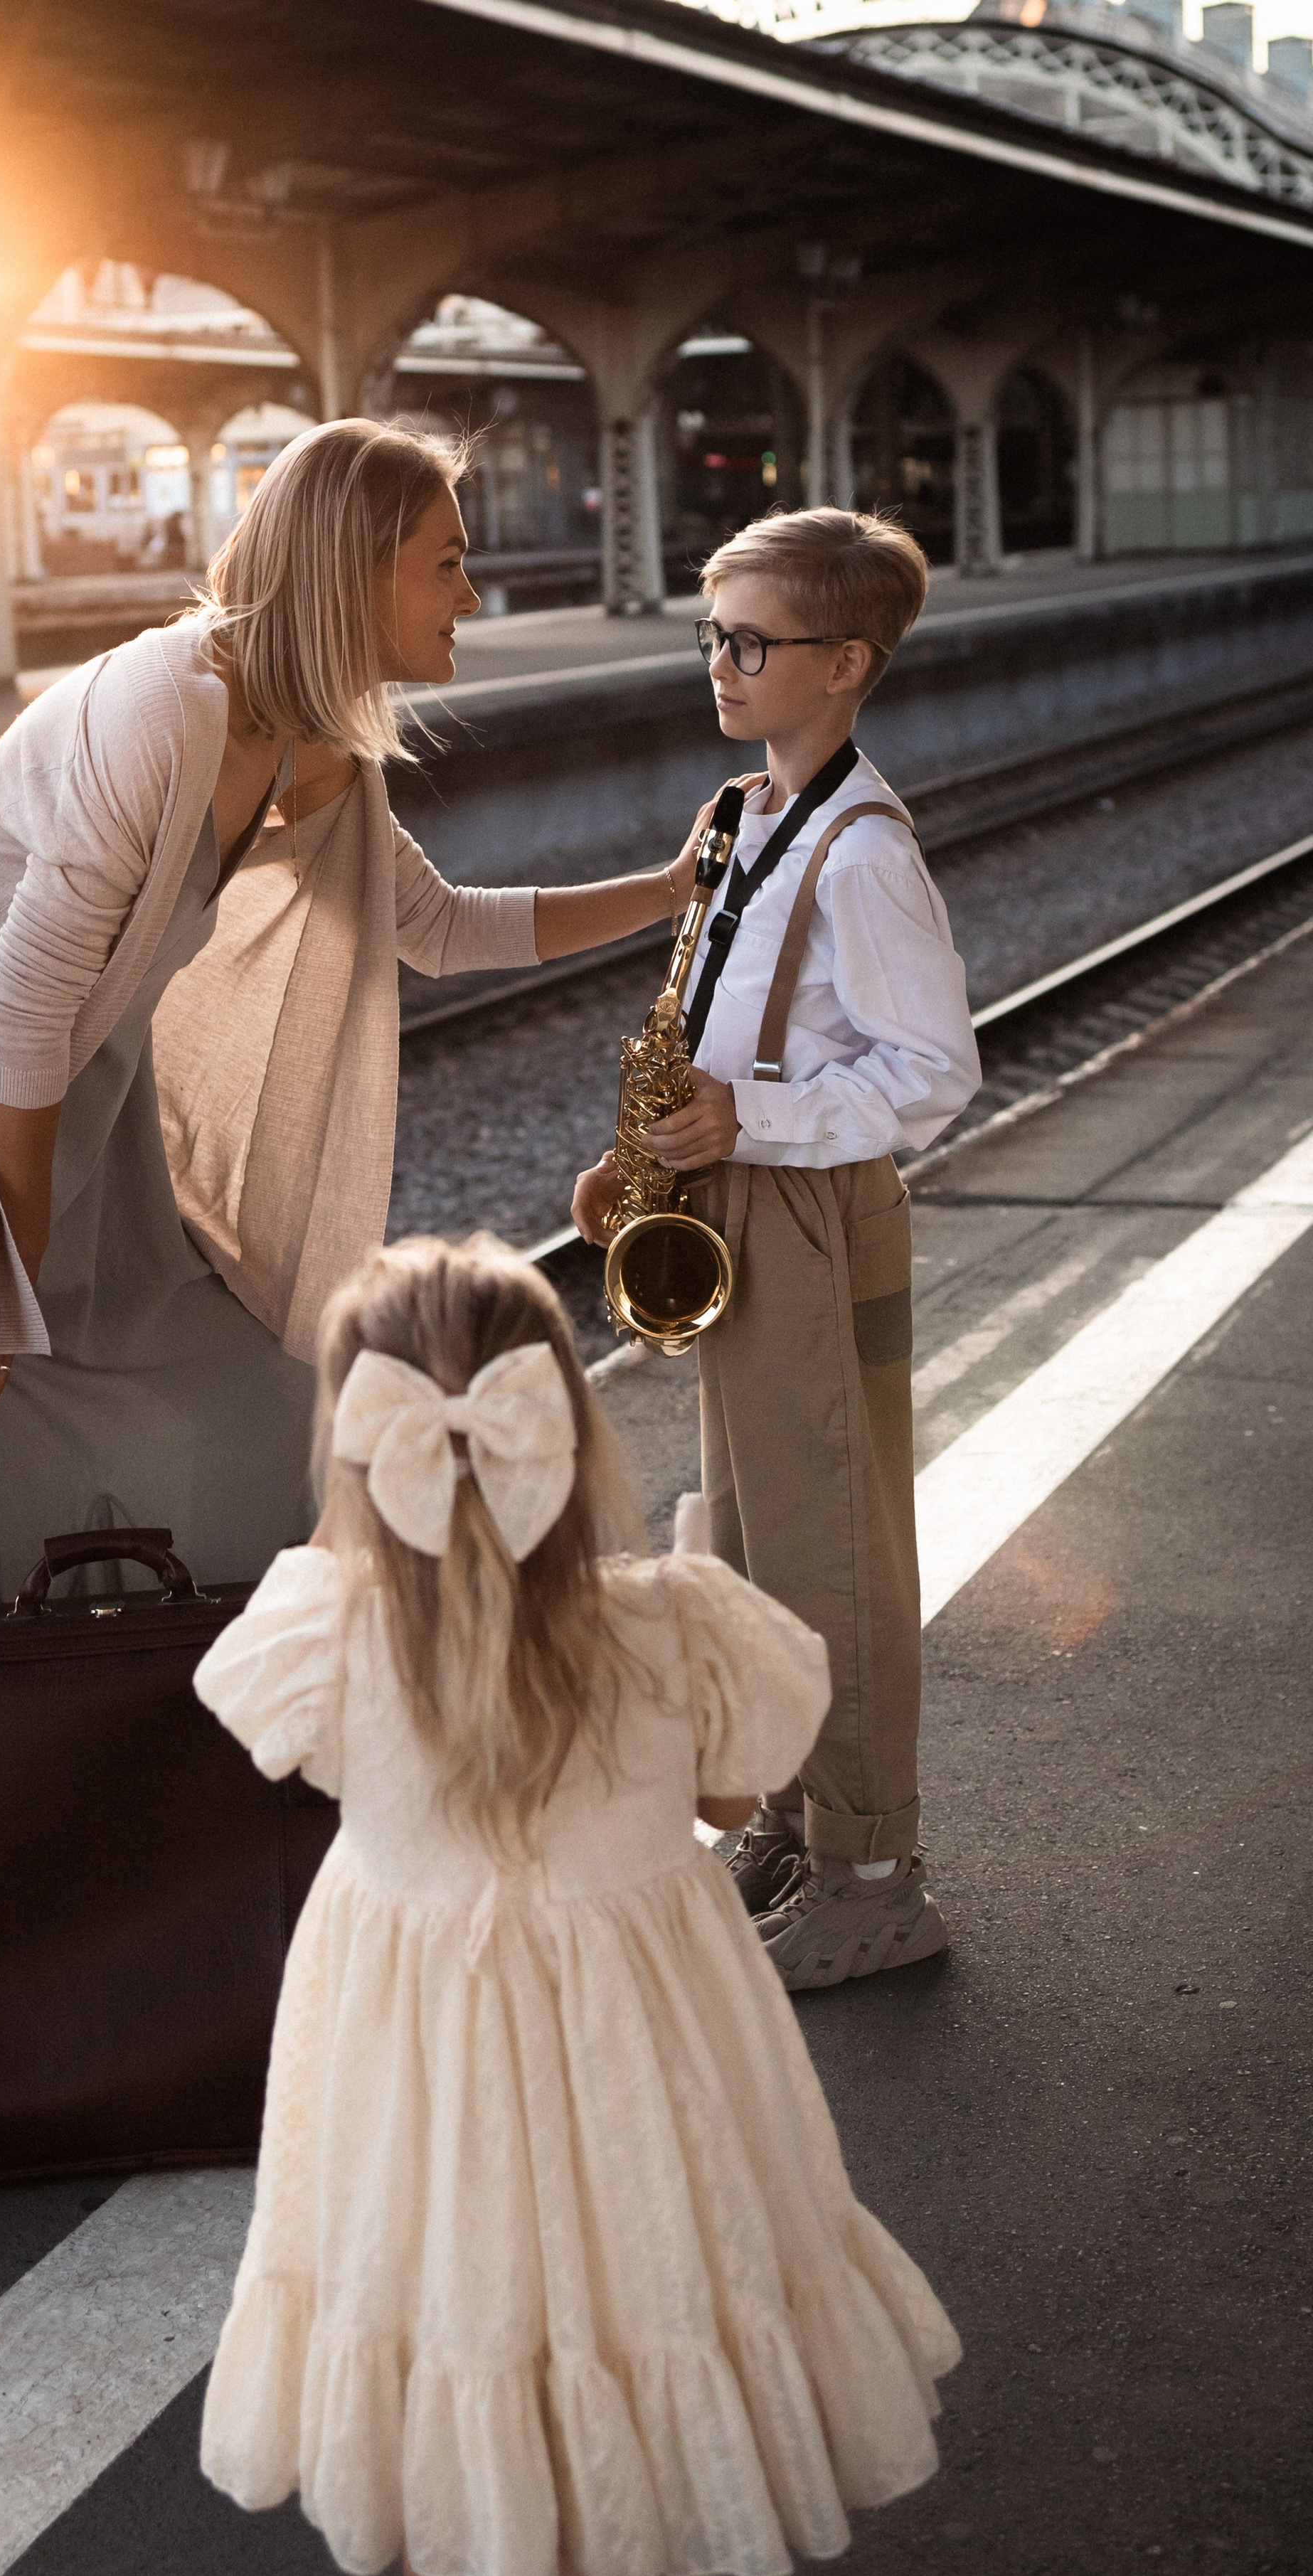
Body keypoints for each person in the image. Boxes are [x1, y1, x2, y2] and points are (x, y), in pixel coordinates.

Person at [193, 1232, 961, 2576]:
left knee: (435, 2308)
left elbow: (305, 1759)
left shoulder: (327, 1630)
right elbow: (738, 1804)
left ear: (363, 1453)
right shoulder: (671, 1624)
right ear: (569, 1427)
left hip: (411, 2046)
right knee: (618, 2327)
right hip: (633, 2055)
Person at [0, 419, 694, 1635]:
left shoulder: (316, 748)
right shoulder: (163, 707)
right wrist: (11, 1264)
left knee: (256, 1388)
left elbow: (440, 927)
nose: (473, 591)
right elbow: (22, 1006)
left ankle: (176, 1720)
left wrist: (671, 892)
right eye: (446, 561)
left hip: (47, 1121)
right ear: (354, 568)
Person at [573, 506, 980, 1996]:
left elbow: (931, 1071)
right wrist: (642, 1153)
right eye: (712, 636)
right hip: (732, 1188)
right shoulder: (746, 813)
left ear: (845, 663)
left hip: (802, 1205)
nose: (718, 664)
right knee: (747, 1542)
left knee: (834, 1549)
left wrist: (748, 1122)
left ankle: (874, 1872)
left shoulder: (862, 852)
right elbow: (720, 1019)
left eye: (751, 643)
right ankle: (804, 1821)